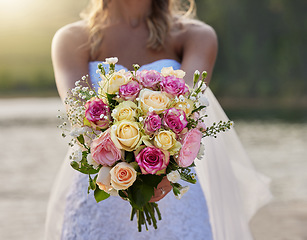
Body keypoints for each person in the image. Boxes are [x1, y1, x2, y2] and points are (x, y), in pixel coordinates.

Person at [46, 0, 272, 239]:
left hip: (173, 191)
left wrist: (158, 167)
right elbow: (81, 118)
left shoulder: (196, 36)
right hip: (99, 189)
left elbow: (185, 112)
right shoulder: (71, 38)